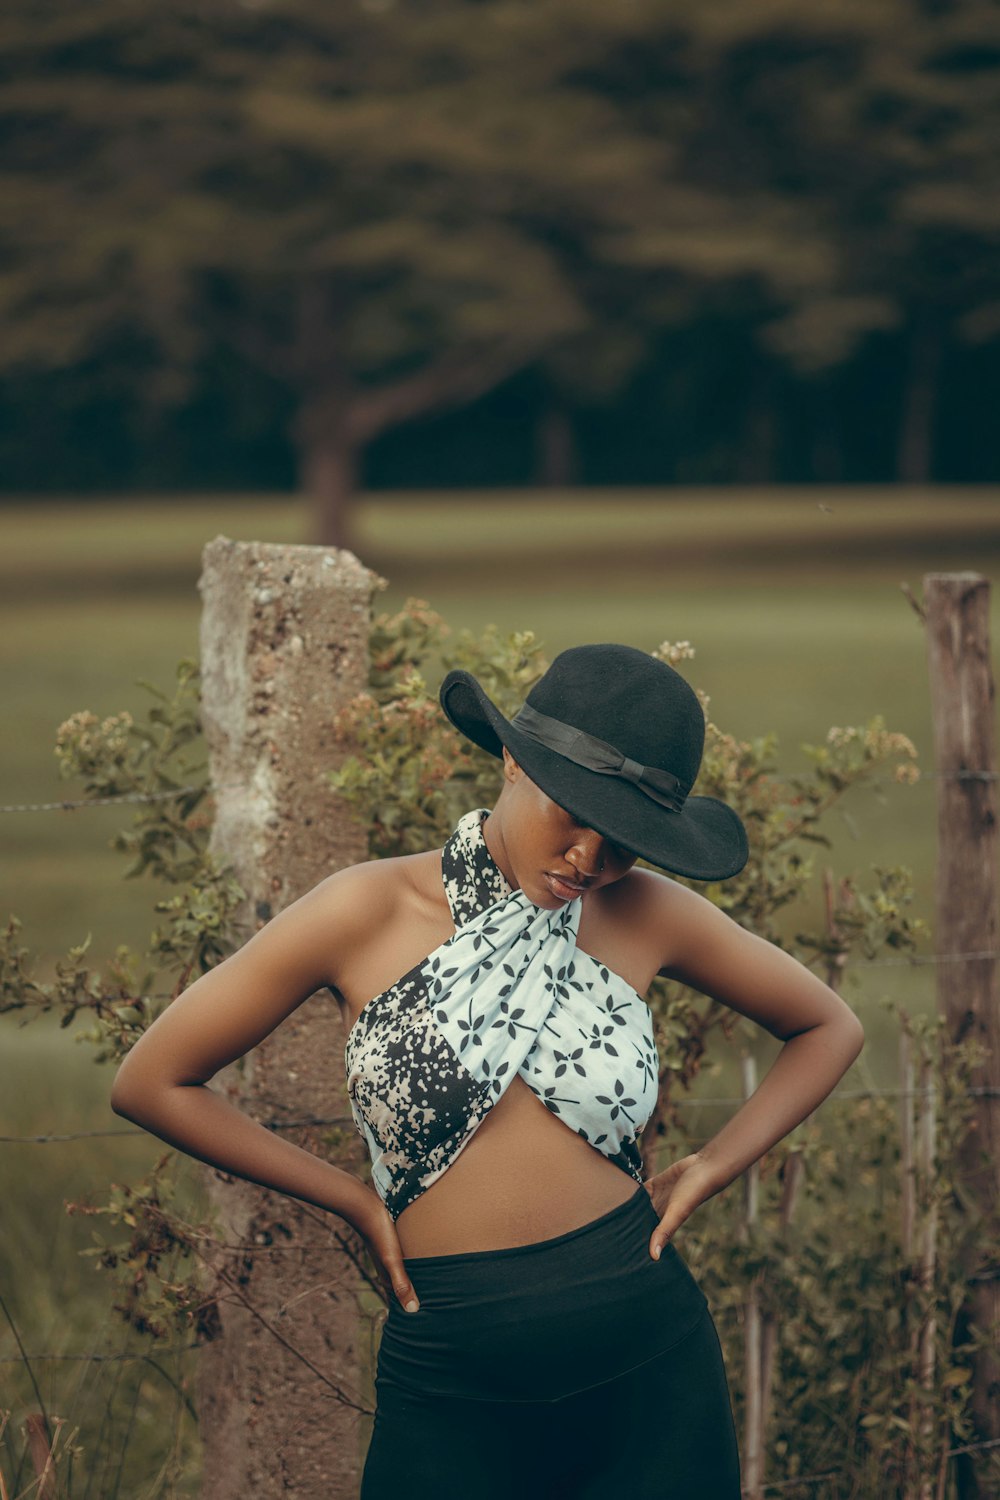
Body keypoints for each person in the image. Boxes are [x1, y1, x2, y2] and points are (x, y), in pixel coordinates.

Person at [111, 642, 865, 1500]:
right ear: (512, 759)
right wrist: (355, 1198)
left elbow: (827, 1025)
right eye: (571, 814)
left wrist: (714, 1166)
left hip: (648, 1367)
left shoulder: (646, 914)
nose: (588, 858)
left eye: (622, 844)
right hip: (449, 1372)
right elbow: (153, 1079)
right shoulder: (364, 911)